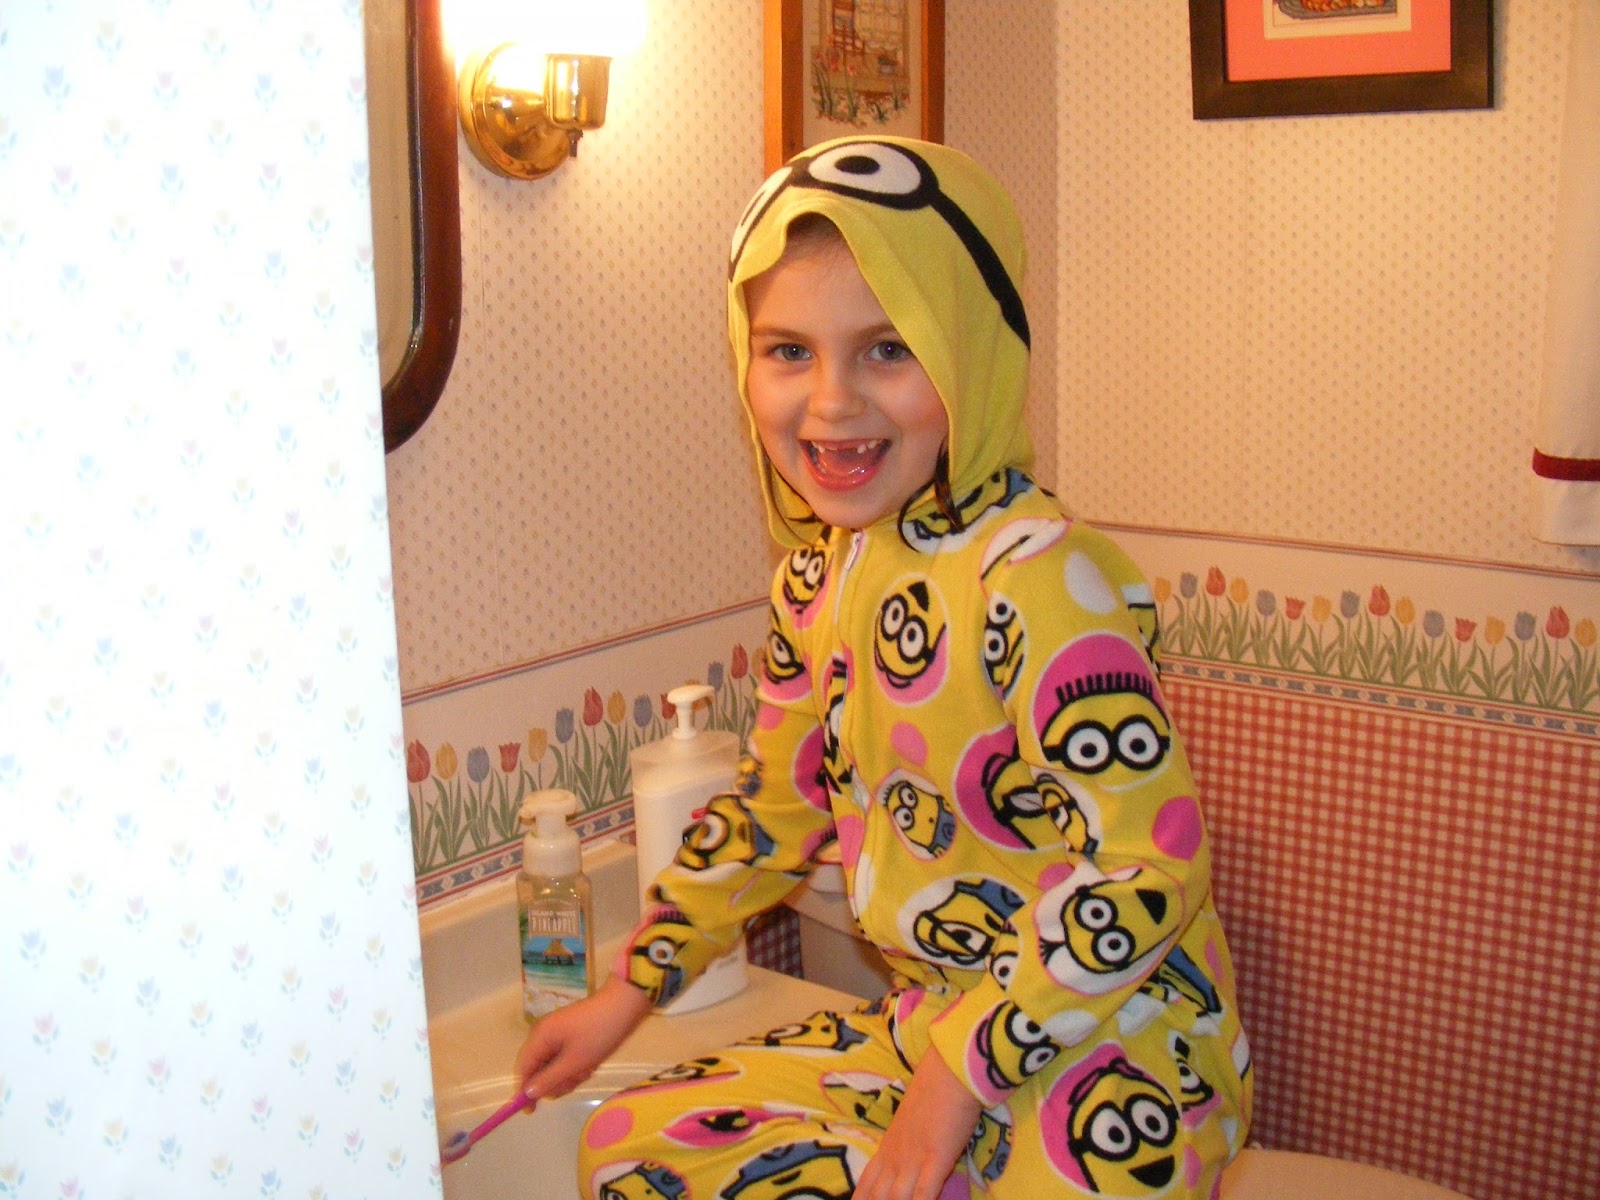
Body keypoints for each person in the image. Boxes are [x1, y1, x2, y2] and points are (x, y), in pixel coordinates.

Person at [514, 136, 1253, 1200]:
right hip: (932, 1029)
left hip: (1117, 1046)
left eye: (887, 349)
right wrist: (627, 991)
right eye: (788, 350)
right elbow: (773, 809)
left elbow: (1150, 868)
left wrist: (950, 1089)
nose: (831, 402)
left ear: (971, 354)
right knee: (632, 1142)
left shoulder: (1041, 575)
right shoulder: (818, 577)